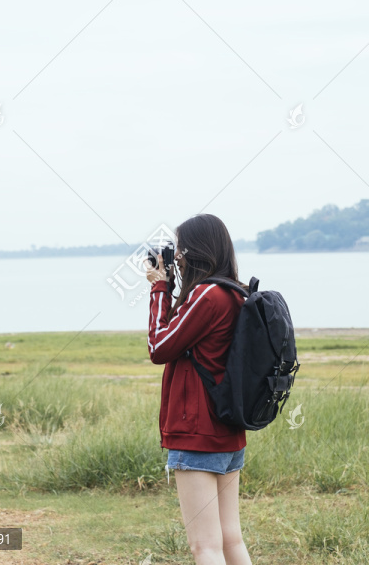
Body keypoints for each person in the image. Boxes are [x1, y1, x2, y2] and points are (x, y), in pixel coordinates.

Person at [144, 213, 252, 565]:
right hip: (227, 429)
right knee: (230, 539)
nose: (176, 257)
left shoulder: (207, 296)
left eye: (180, 250)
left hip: (196, 434)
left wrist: (159, 288)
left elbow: (159, 347)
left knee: (204, 546)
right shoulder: (235, 293)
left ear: (194, 251)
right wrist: (173, 285)